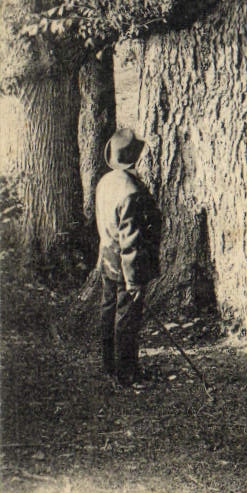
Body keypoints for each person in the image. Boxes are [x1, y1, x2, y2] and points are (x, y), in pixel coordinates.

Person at [94, 127, 161, 387]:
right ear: (135, 158)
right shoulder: (131, 190)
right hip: (124, 265)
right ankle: (127, 375)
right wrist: (133, 279)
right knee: (127, 319)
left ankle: (109, 366)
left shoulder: (105, 182)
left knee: (108, 312)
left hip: (107, 258)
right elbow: (131, 240)